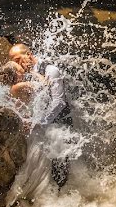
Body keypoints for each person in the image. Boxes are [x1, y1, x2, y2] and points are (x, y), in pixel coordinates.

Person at [8, 43, 72, 187]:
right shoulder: (25, 74)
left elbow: (59, 102)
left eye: (17, 59)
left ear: (29, 55)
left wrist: (40, 122)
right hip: (39, 128)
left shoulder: (51, 70)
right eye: (13, 61)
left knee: (59, 174)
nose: (15, 64)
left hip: (59, 127)